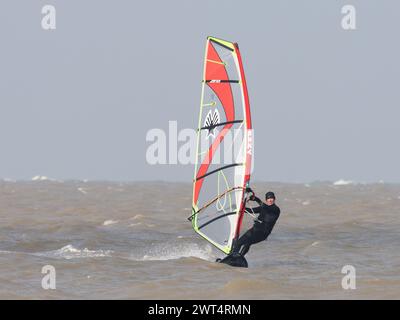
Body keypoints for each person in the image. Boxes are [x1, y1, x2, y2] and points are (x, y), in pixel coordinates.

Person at [231, 188, 281, 257]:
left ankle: (235, 257)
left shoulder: (275, 209)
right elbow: (251, 211)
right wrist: (239, 208)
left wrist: (255, 199)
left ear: (274, 199)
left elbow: (264, 207)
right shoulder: (263, 208)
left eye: (272, 198)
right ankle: (238, 257)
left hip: (262, 233)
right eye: (268, 198)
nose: (270, 200)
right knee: (245, 243)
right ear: (266, 200)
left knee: (241, 242)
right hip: (255, 230)